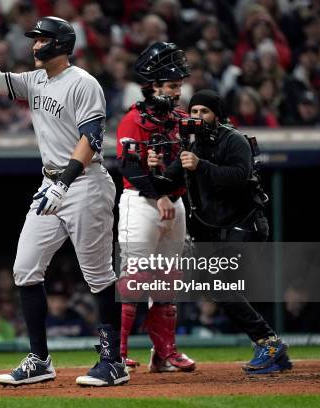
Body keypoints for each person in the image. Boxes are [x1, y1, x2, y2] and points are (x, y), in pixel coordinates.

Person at [0, 15, 127, 387]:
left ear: (60, 45)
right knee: (25, 268)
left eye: (41, 39)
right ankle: (40, 360)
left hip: (84, 183)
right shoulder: (35, 80)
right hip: (49, 183)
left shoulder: (83, 83)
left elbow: (93, 139)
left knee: (98, 276)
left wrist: (63, 184)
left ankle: (113, 361)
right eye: (34, 39)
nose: (34, 45)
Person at [159, 89, 292, 374]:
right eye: (193, 112)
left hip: (248, 224)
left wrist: (201, 165)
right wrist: (153, 167)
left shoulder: (235, 139)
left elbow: (239, 176)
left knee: (220, 285)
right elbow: (167, 180)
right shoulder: (193, 146)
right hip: (223, 229)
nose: (197, 117)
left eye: (203, 112)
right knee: (216, 286)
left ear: (216, 115)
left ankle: (268, 342)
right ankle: (271, 347)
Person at [115, 42, 196, 373]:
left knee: (167, 281)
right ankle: (115, 355)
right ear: (153, 85)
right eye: (173, 85)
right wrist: (159, 194)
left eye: (179, 85)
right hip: (142, 202)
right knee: (134, 278)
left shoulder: (181, 119)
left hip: (174, 203)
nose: (178, 91)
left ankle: (164, 353)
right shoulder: (133, 119)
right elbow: (129, 167)